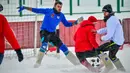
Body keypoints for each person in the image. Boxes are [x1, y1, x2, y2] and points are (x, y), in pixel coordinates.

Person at [17, 1, 83, 68]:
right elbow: (37, 10)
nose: (60, 8)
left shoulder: (61, 15)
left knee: (64, 47)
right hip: (44, 32)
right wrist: (25, 7)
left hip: (52, 34)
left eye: (61, 7)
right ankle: (37, 64)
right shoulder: (49, 11)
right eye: (58, 6)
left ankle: (77, 64)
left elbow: (66, 24)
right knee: (44, 46)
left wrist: (76, 22)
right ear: (54, 6)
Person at [95, 4, 125, 72]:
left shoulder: (111, 20)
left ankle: (108, 66)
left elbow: (109, 35)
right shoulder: (113, 18)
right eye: (103, 12)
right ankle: (122, 70)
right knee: (112, 56)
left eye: (105, 12)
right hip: (118, 41)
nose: (104, 14)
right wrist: (97, 31)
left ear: (109, 12)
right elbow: (108, 29)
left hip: (115, 42)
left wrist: (102, 38)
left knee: (99, 49)